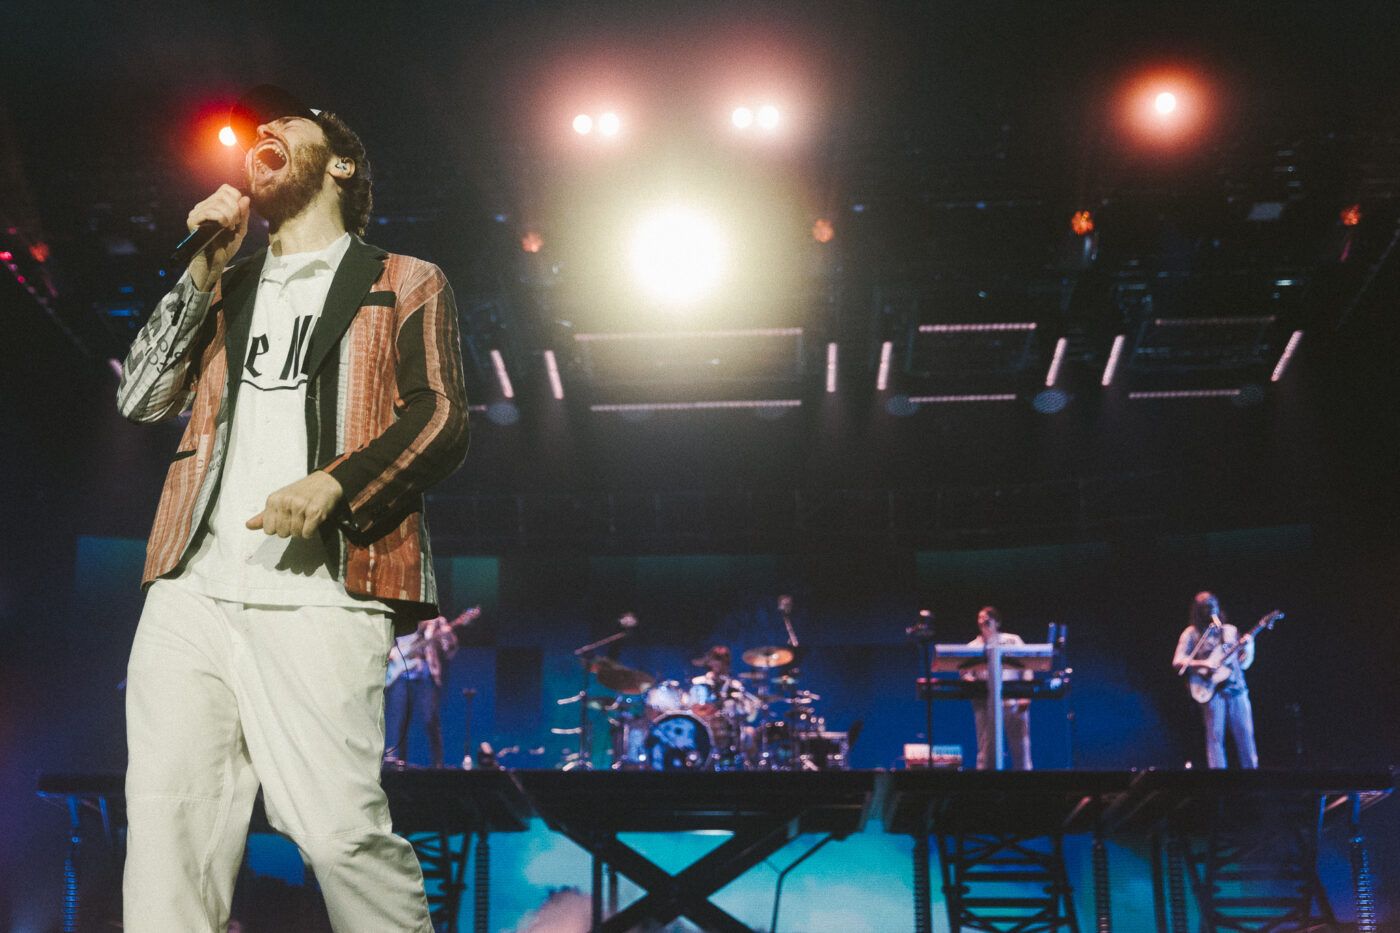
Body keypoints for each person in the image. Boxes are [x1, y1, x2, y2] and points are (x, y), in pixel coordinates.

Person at [117, 85, 468, 932]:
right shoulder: (227, 285)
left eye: (288, 123)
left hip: (323, 592)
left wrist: (336, 482)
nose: (263, 130)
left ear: (340, 165)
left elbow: (443, 418)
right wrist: (202, 264)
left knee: (338, 833)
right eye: (257, 129)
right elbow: (139, 398)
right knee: (168, 829)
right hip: (192, 589)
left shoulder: (405, 279)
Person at [1173, 591, 1258, 769]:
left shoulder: (1230, 631)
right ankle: (1218, 777)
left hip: (1237, 689)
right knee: (1215, 737)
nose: (1210, 608)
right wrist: (1203, 663)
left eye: (1212, 604)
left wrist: (1249, 647)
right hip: (1212, 691)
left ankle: (1252, 776)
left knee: (1245, 735)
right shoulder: (1191, 634)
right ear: (1198, 611)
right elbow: (1178, 661)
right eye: (1205, 606)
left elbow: (1244, 664)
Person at [385, 607, 479, 768]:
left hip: (426, 673)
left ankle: (437, 764)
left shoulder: (437, 622)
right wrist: (390, 653)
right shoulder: (403, 619)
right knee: (399, 722)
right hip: (401, 674)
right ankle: (396, 764)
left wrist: (447, 635)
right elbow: (389, 643)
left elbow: (449, 649)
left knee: (430, 720)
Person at [963, 606, 1033, 770]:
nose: (983, 621)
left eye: (988, 618)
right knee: (986, 751)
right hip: (985, 704)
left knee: (1021, 749)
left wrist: (1026, 696)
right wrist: (973, 683)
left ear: (997, 622)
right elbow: (965, 673)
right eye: (980, 618)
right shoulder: (972, 646)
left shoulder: (1013, 640)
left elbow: (1028, 666)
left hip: (1014, 703)